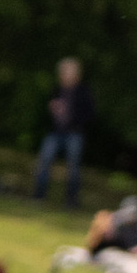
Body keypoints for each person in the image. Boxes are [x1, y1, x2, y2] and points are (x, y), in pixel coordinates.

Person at [33, 58, 90, 209]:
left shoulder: (83, 92)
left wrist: (71, 115)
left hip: (74, 134)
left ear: (76, 75)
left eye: (67, 72)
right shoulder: (57, 90)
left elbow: (88, 115)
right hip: (55, 132)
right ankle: (39, 196)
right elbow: (49, 110)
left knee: (73, 167)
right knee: (44, 161)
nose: (64, 76)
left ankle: (71, 201)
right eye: (63, 73)